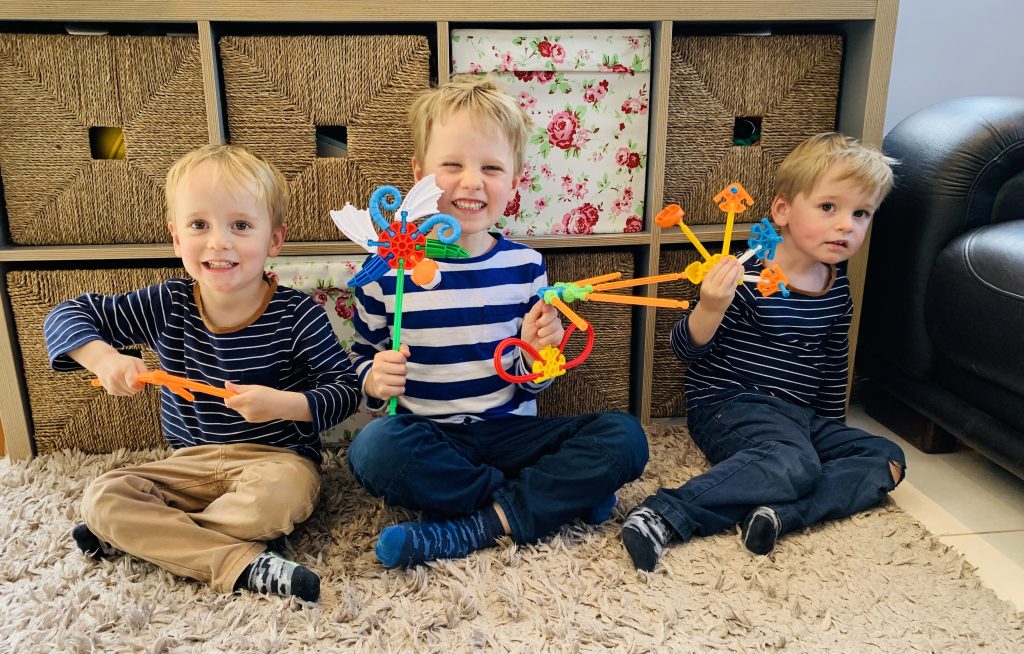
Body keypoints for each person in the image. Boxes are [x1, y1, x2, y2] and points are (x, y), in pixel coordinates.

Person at [346, 75, 649, 568]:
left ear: (514, 179)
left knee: (625, 436)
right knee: (373, 450)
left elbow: (530, 386)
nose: (472, 181)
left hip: (510, 435)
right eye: (452, 166)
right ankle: (547, 502)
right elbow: (361, 363)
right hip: (430, 438)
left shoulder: (525, 266)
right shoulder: (384, 272)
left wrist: (536, 355)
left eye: (491, 167)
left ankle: (477, 526)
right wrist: (374, 379)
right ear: (419, 174)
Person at [44, 144, 361, 602]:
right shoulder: (168, 303)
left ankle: (151, 539)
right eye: (199, 225)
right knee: (102, 498)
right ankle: (241, 562)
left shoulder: (297, 313)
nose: (219, 242)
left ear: (274, 239)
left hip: (277, 462)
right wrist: (105, 359)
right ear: (176, 239)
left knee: (277, 500)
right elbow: (66, 315)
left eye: (241, 226)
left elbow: (345, 390)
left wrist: (284, 404)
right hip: (188, 464)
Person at [621, 132, 906, 571]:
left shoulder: (838, 287)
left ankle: (779, 516)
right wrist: (711, 306)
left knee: (886, 459)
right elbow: (685, 350)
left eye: (861, 213)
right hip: (728, 407)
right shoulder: (747, 274)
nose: (846, 224)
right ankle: (665, 514)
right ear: (782, 211)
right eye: (828, 207)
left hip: (799, 419)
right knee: (794, 461)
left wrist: (827, 431)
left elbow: (832, 366)